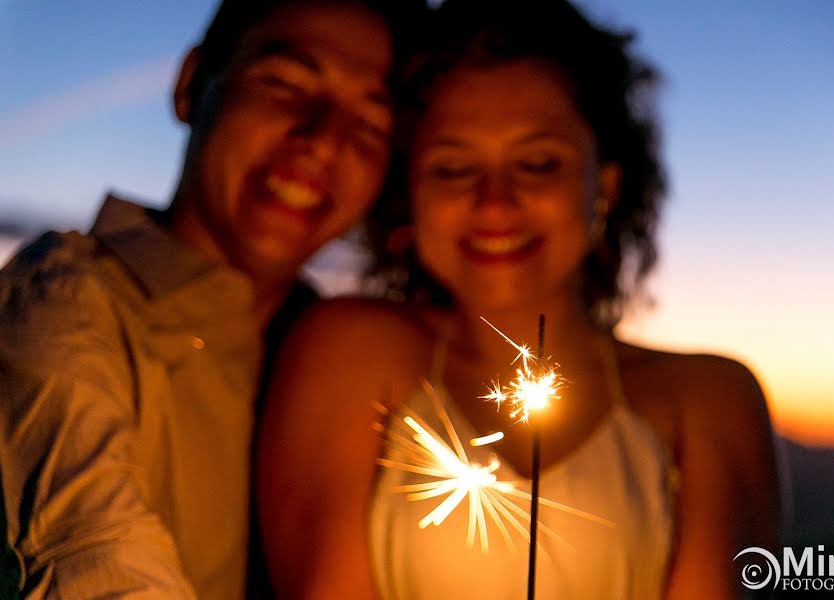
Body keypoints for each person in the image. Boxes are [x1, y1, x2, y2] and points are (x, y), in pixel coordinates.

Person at [256, 0, 782, 598]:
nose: (496, 204)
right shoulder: (346, 351)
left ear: (603, 187)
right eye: (454, 169)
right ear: (412, 193)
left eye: (536, 164)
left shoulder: (712, 401)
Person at [0, 0, 426, 597]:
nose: (323, 141)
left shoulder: (345, 362)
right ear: (190, 85)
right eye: (284, 84)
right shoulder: (65, 309)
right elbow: (90, 551)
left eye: (371, 123)